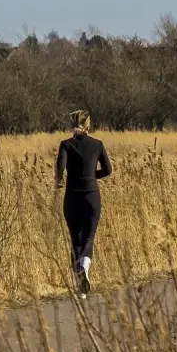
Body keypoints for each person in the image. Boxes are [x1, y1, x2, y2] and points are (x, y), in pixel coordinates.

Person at [54, 109, 112, 298]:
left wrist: (59, 180)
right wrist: (91, 176)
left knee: (75, 239)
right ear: (88, 126)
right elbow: (108, 169)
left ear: (72, 125)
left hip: (72, 196)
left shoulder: (66, 145)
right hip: (91, 196)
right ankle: (84, 267)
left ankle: (80, 289)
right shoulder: (97, 144)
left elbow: (60, 167)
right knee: (89, 237)